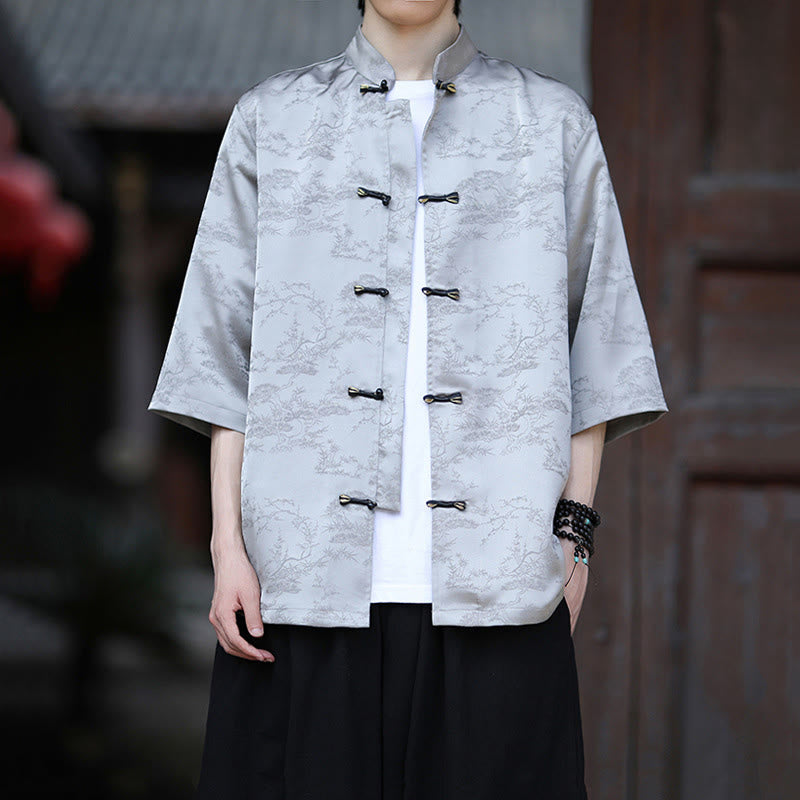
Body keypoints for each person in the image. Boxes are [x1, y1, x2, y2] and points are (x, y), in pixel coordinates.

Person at [147, 1, 669, 798]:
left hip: (499, 588)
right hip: (299, 586)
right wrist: (227, 548)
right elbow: (221, 355)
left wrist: (575, 536)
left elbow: (598, 343)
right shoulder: (271, 121)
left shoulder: (552, 123)